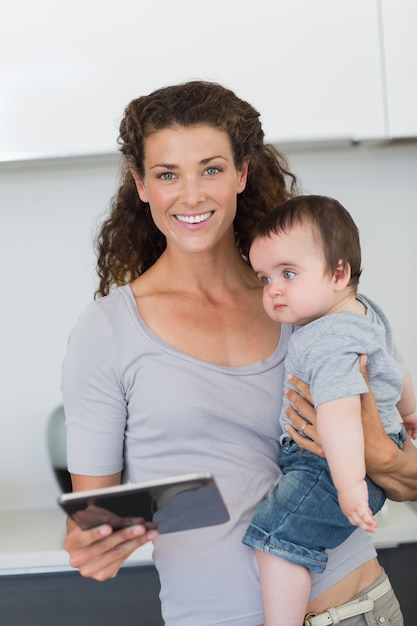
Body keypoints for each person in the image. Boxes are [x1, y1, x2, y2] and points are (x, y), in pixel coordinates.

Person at [61, 81, 417, 626]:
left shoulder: (303, 303)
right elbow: (92, 520)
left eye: (211, 168)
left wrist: (385, 458)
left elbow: (402, 462)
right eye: (166, 174)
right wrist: (97, 546)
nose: (192, 195)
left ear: (242, 173)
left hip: (356, 606)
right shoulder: (106, 331)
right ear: (140, 184)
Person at [242, 194, 417, 625]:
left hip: (330, 464)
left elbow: (337, 414)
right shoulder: (363, 312)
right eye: (264, 279)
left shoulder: (326, 337)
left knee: (274, 537)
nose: (274, 290)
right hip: (365, 452)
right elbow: (395, 366)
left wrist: (350, 483)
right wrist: (409, 413)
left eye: (287, 273)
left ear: (338, 272)